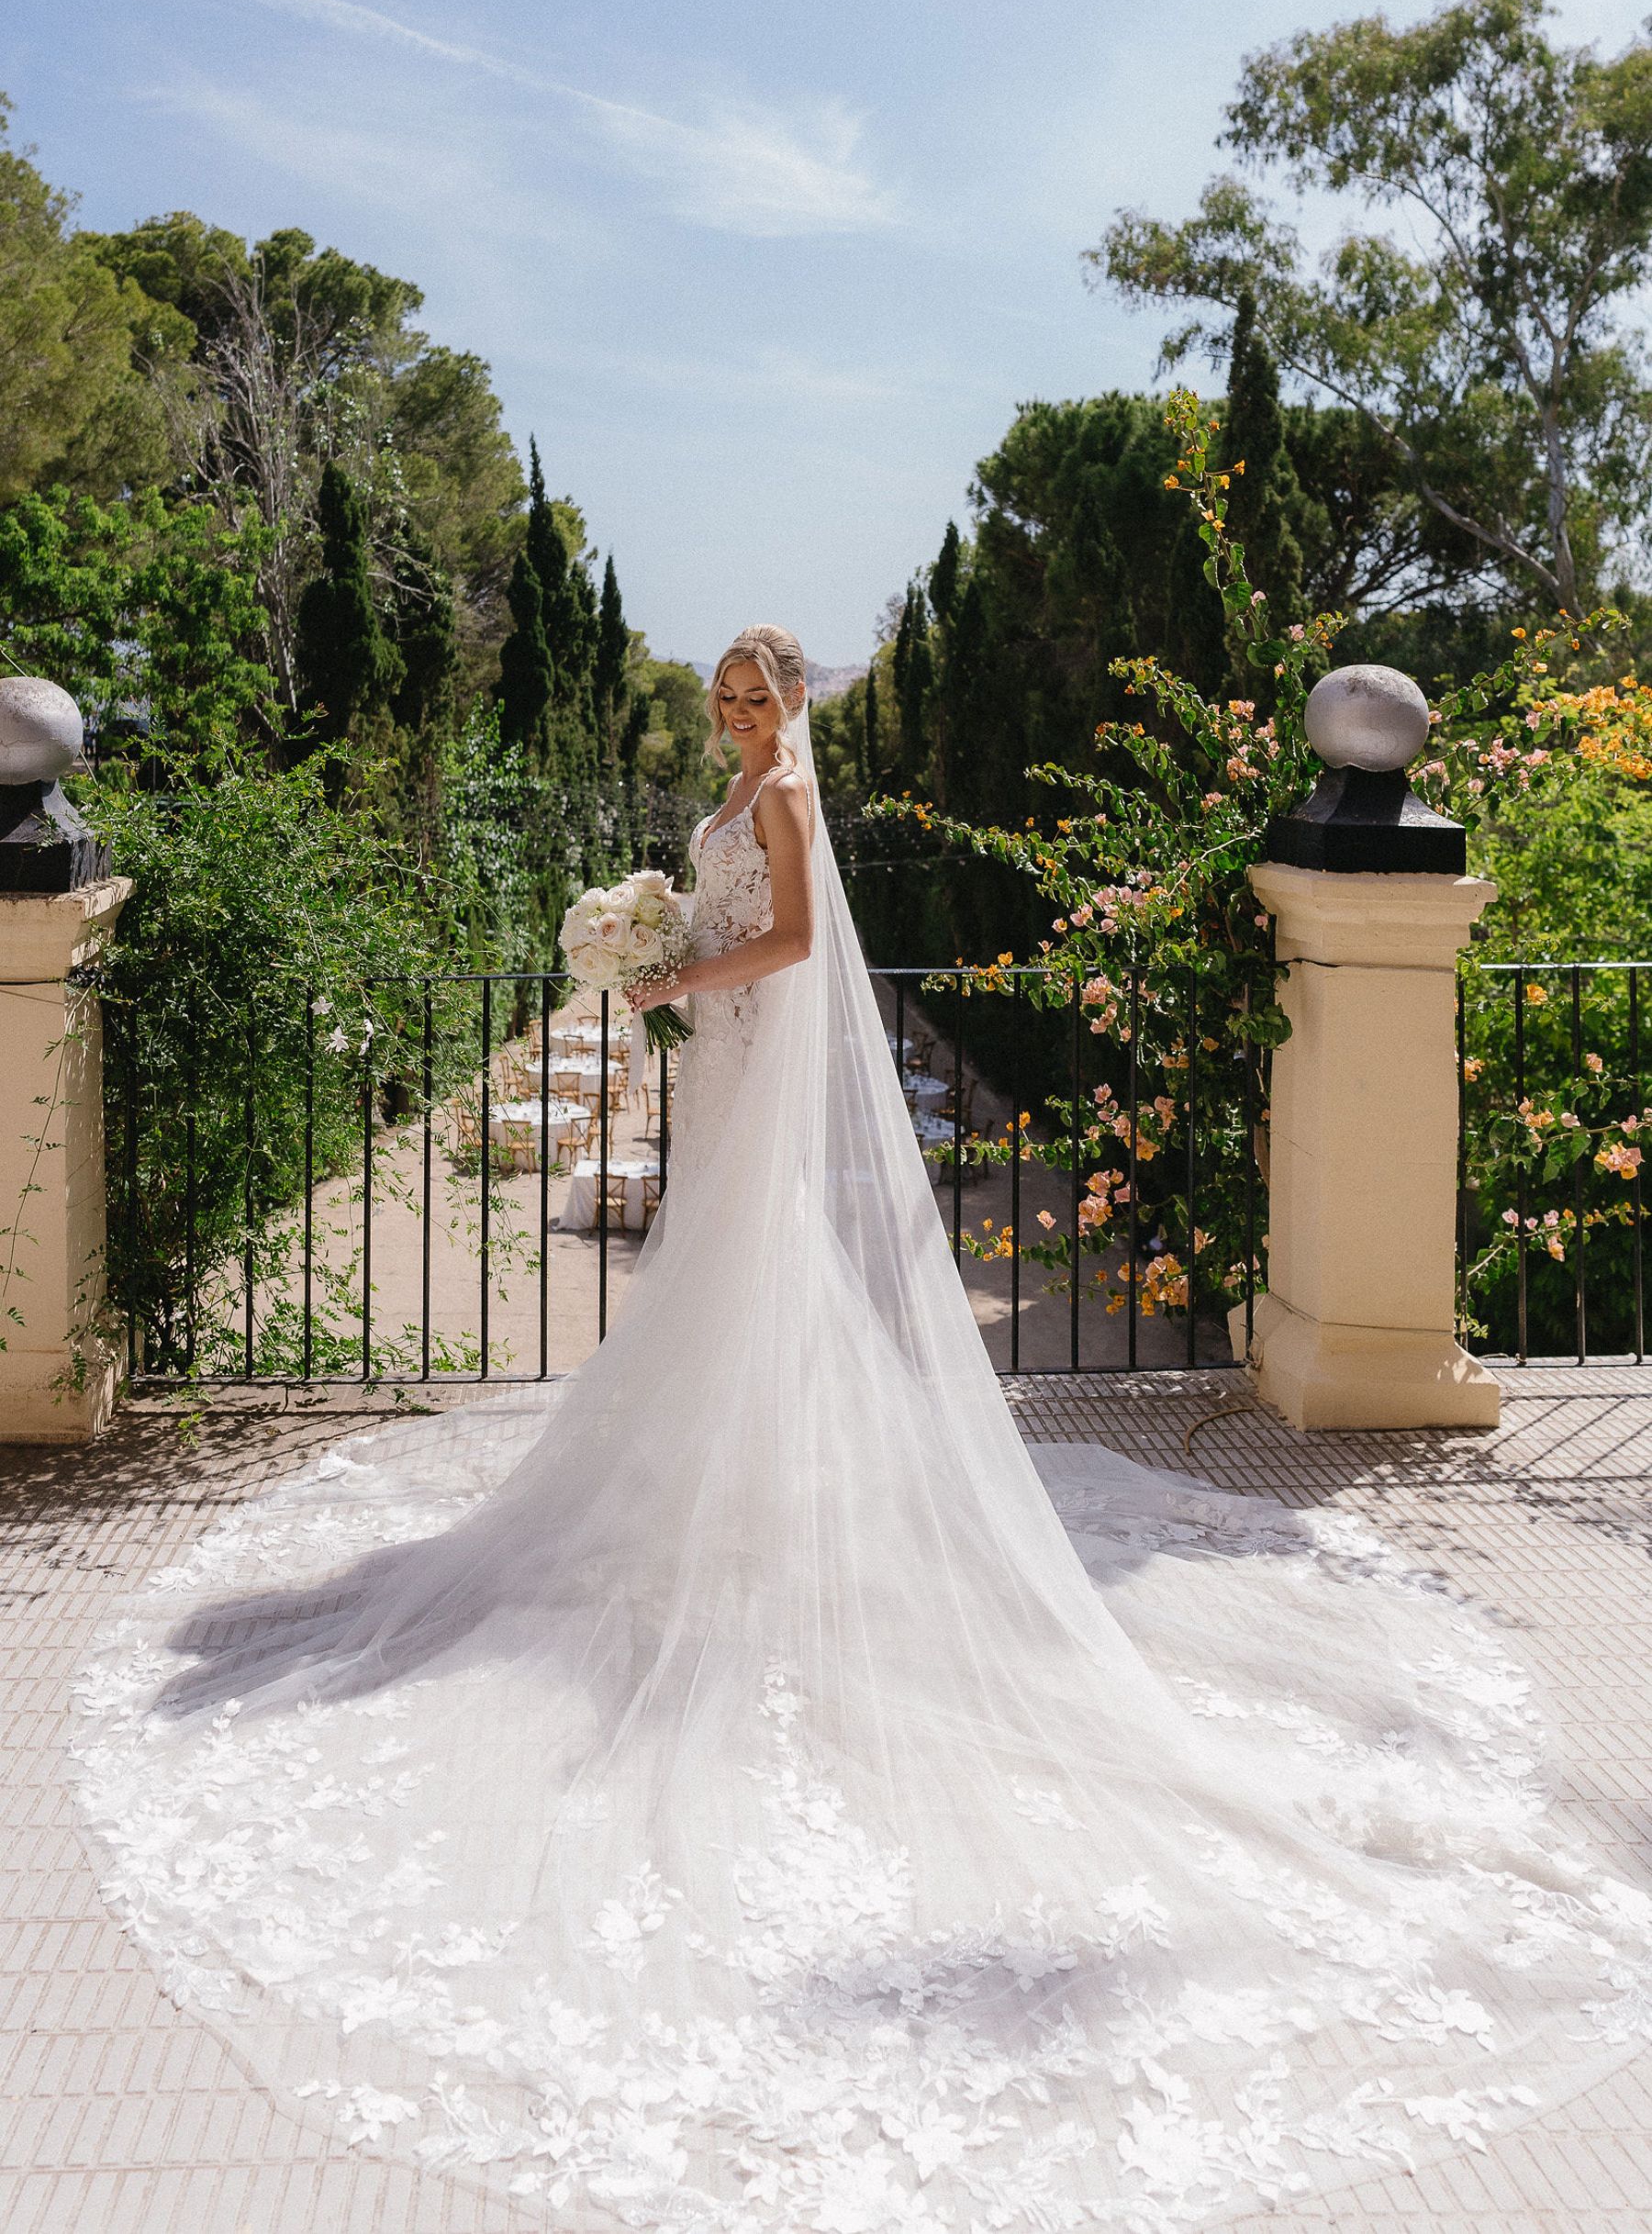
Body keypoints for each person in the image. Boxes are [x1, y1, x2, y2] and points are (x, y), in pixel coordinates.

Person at [73, 623, 1651, 2230]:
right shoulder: (746, 789)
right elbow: (726, 925)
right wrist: (650, 939)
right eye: (726, 697)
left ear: (798, 701)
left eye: (760, 696)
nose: (740, 715)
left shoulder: (791, 800)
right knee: (718, 1287)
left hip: (750, 1049)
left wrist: (676, 968)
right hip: (730, 1068)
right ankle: (735, 1483)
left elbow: (797, 949)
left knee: (755, 1281)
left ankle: (767, 1502)